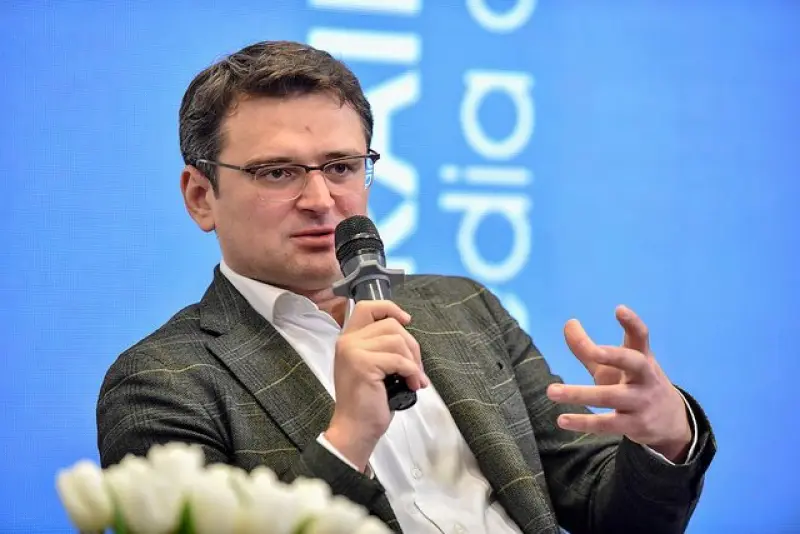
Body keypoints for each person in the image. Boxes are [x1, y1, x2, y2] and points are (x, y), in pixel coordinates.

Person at [97, 40, 716, 534]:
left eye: (342, 167)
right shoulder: (160, 383)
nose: (321, 199)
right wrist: (347, 439)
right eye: (278, 172)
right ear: (201, 196)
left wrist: (665, 436)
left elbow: (604, 509)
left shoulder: (464, 308)